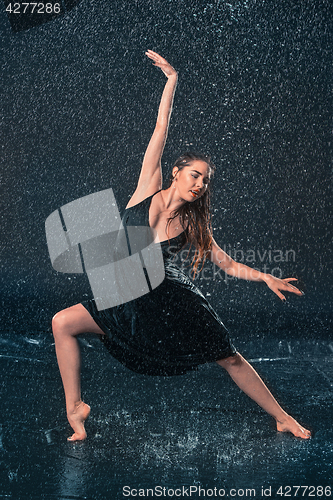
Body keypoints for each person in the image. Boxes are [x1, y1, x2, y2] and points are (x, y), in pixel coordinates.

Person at [52, 50, 311, 442]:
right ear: (176, 171)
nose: (199, 184)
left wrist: (264, 278)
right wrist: (171, 80)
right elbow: (160, 127)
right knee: (62, 323)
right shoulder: (145, 190)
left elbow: (224, 263)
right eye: (194, 175)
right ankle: (75, 408)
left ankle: (282, 417)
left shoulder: (193, 223)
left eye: (205, 181)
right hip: (124, 296)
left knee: (228, 356)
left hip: (170, 298)